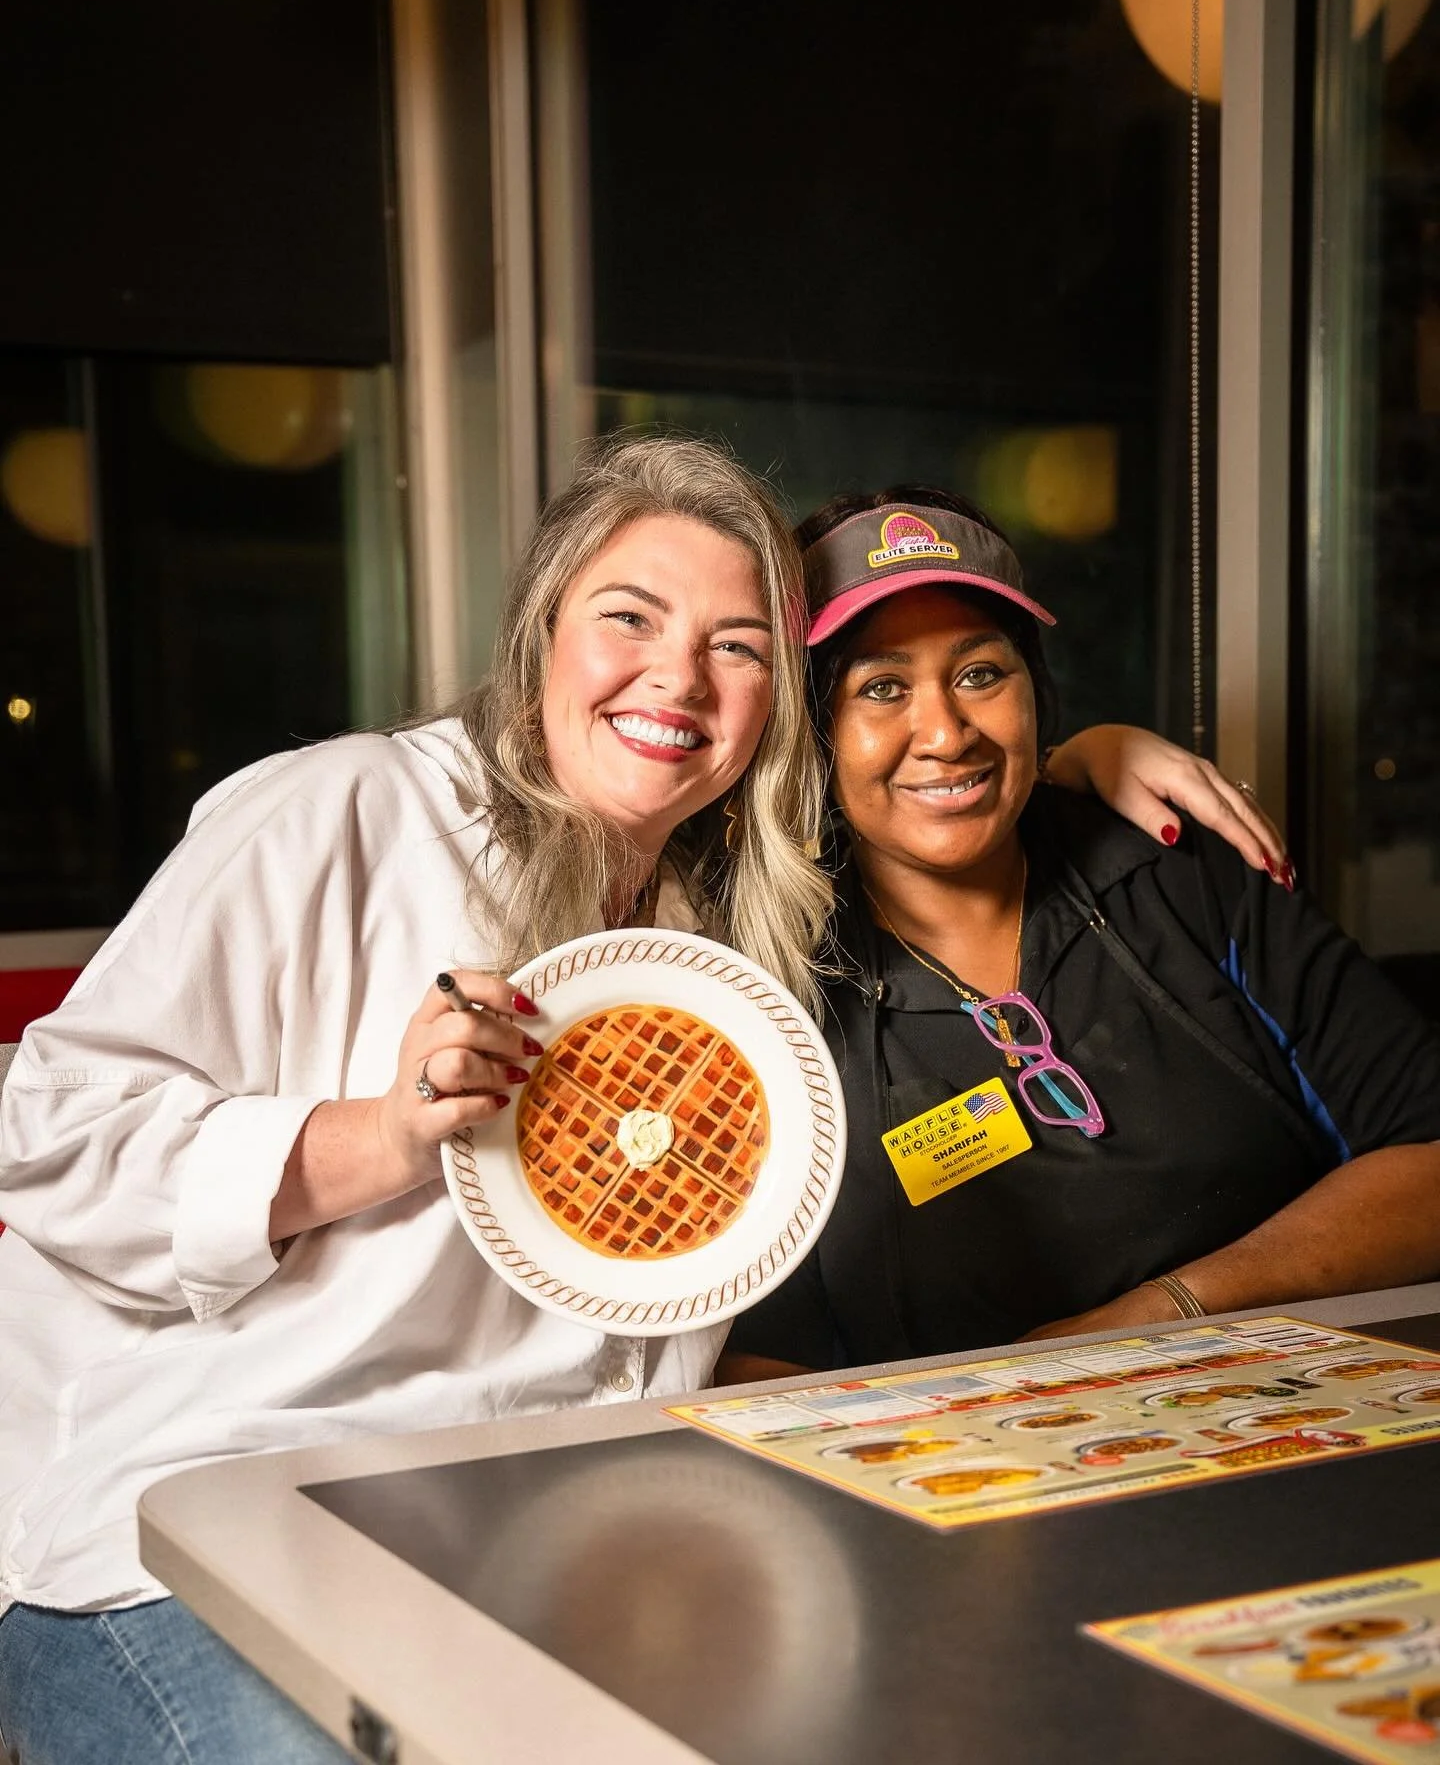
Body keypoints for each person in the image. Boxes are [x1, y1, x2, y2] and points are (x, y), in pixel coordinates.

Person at [0, 437, 1285, 1764]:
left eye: (738, 646)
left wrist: (1083, 760)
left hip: (548, 1528)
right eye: (630, 617)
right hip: (189, 1530)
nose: (678, 675)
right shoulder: (342, 813)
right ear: (541, 633)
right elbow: (49, 1137)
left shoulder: (733, 919)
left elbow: (934, 779)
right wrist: (378, 1136)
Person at [724, 488, 1440, 1380]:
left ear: (1038, 694)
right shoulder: (765, 991)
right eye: (881, 687)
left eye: (982, 673)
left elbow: (1427, 1154)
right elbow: (747, 1356)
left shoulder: (1175, 874)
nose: (946, 732)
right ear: (811, 731)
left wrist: (1159, 1316)